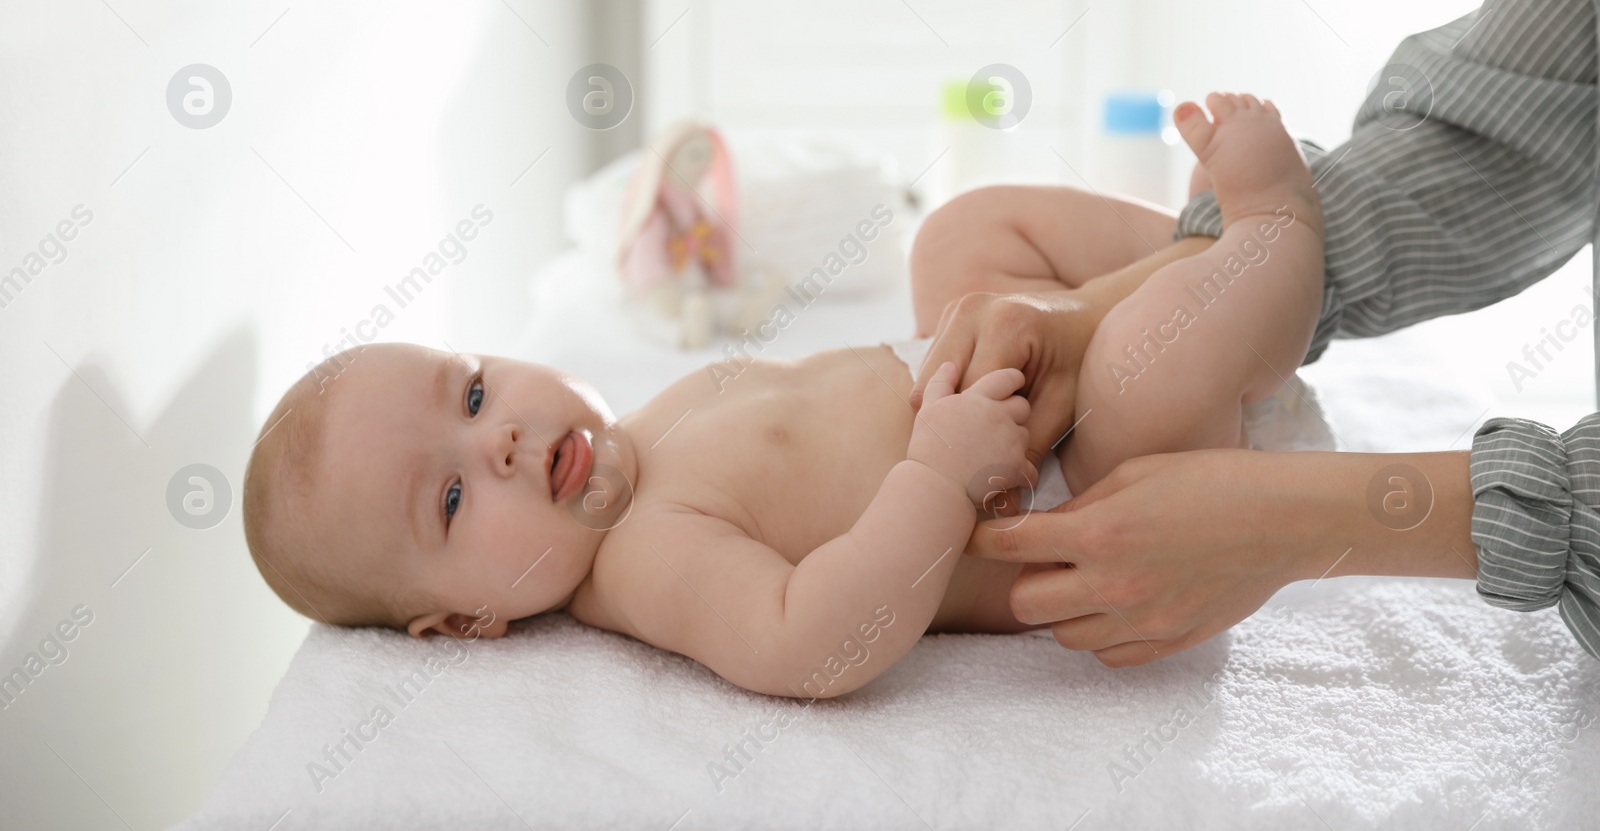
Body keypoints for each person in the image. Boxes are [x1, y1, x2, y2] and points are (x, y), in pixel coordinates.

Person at [241, 95, 1326, 697]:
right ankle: (1279, 237)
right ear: (466, 622)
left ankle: (1194, 247)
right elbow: (811, 640)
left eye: (473, 393)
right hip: (1082, 480)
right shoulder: (646, 559)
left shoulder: (641, 426)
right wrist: (938, 475)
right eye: (450, 500)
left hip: (999, 360)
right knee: (1149, 353)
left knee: (963, 231)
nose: (506, 442)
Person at [909, 0, 1600, 667]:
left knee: (1136, 360)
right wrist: (1083, 310)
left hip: (1083, 479)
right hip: (1046, 429)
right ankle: (1255, 249)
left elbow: (814, 637)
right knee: (959, 233)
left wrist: (1290, 514)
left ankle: (1261, 235)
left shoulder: (675, 535)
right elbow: (1515, 127)